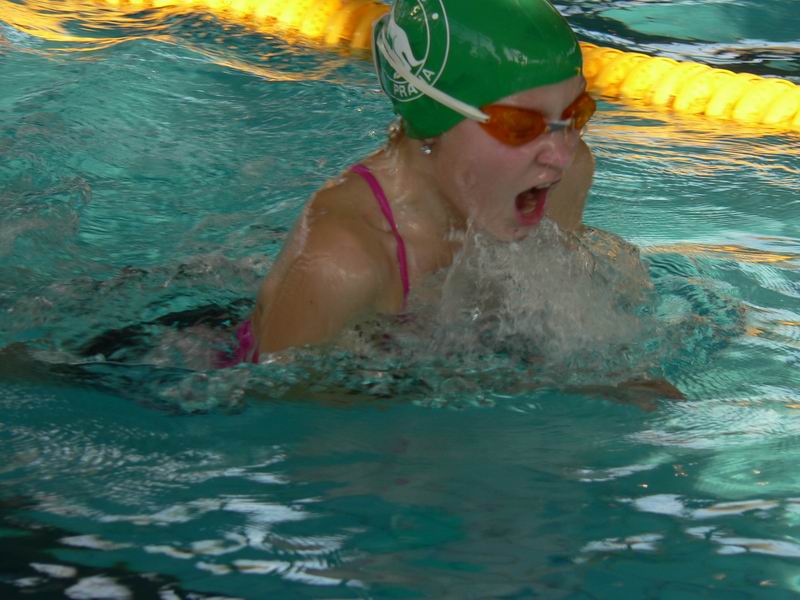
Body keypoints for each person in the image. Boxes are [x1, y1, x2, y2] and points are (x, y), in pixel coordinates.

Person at [229, 0, 597, 363]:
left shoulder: (562, 179)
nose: (561, 155)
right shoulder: (344, 260)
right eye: (520, 126)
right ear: (433, 120)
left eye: (575, 114)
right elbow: (280, 395)